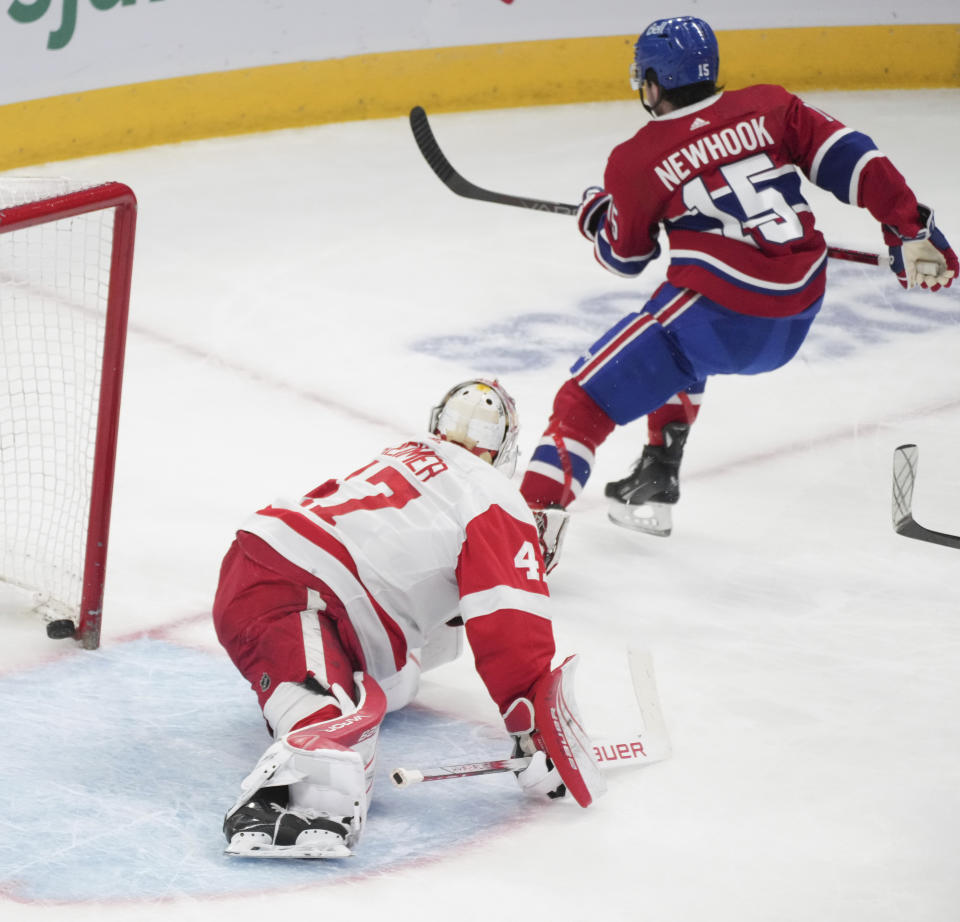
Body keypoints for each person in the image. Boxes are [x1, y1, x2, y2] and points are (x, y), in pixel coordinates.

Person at [520, 16, 958, 537]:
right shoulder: (772, 106)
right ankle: (658, 472)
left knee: (584, 400)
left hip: (721, 319)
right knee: (671, 334)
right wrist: (910, 228)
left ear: (654, 82)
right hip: (799, 308)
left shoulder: (636, 160)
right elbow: (855, 158)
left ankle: (521, 536)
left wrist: (599, 219)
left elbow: (625, 257)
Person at [212, 379, 603, 859]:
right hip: (291, 591)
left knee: (395, 683)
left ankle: (316, 711)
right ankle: (297, 792)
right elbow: (508, 618)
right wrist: (535, 722)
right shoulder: (496, 496)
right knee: (338, 727)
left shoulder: (409, 453)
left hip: (280, 564)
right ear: (504, 450)